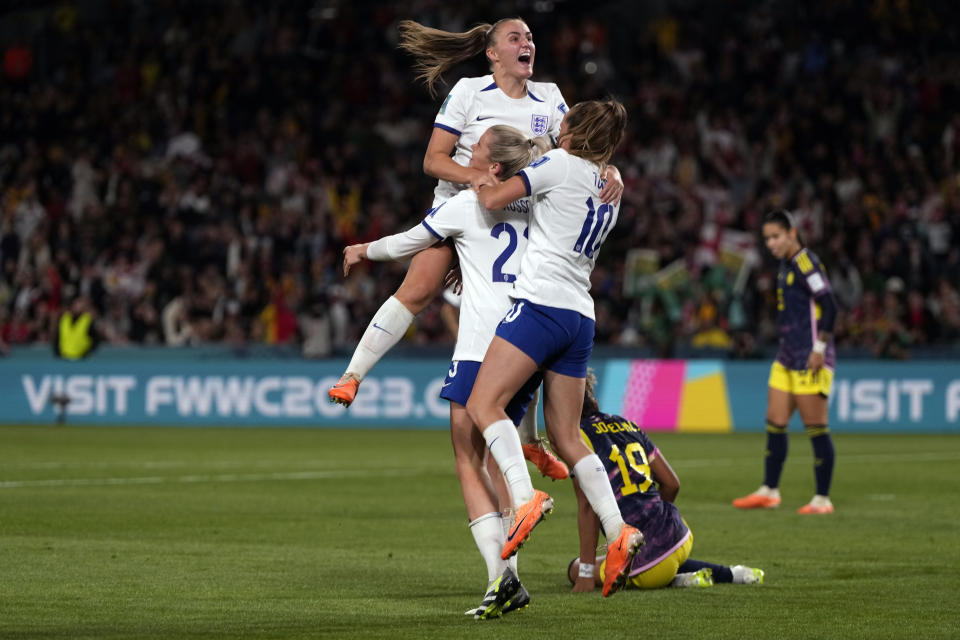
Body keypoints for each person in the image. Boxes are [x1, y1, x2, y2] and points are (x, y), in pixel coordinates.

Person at [328, 18, 622, 482]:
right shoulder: (469, 92)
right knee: (421, 287)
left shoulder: (550, 95)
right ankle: (353, 374)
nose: (527, 43)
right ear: (492, 53)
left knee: (518, 322)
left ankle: (528, 439)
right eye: (516, 38)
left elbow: (583, 143)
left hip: (520, 219)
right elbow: (433, 160)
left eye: (529, 37)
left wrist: (611, 170)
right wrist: (476, 179)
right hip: (464, 206)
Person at [342, 125, 552, 619]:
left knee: (467, 455)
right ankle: (509, 574)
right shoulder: (541, 204)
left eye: (477, 149)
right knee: (497, 453)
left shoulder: (466, 205)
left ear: (494, 166)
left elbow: (404, 244)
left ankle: (507, 565)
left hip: (483, 344)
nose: (469, 153)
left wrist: (360, 250)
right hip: (531, 340)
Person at [465, 98, 643, 598]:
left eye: (567, 119)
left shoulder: (560, 164)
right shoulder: (609, 186)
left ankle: (524, 499)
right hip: (581, 316)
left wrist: (480, 182)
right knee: (567, 436)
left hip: (541, 305)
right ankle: (618, 529)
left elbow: (496, 199)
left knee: (483, 403)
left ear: (576, 128)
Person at [567, 371, 765, 591]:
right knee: (662, 559)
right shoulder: (628, 425)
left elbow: (587, 506)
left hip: (647, 560)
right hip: (679, 535)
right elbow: (672, 483)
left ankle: (670, 578)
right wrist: (654, 522)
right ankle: (731, 574)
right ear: (594, 401)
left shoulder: (578, 438)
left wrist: (585, 574)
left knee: (574, 569)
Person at [733, 209, 838, 514]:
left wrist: (819, 347)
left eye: (776, 236)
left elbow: (829, 306)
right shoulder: (785, 266)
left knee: (815, 427)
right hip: (786, 356)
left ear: (792, 233)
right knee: (775, 423)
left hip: (810, 357)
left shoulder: (806, 262)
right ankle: (769, 490)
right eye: (767, 238)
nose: (771, 243)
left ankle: (822, 499)